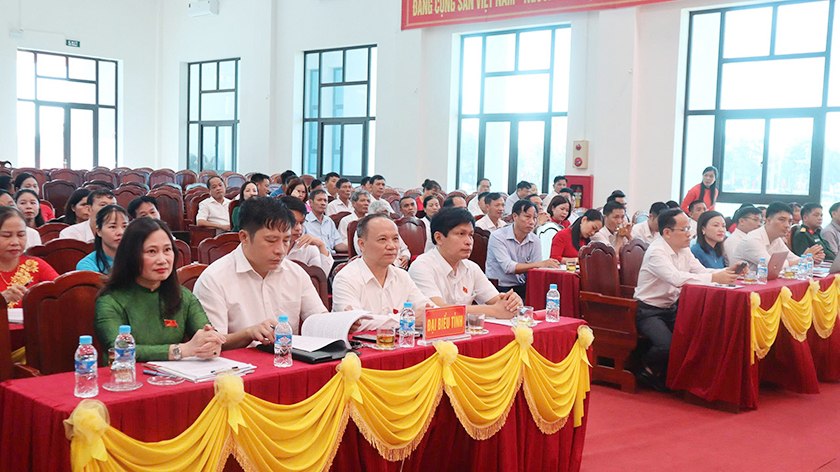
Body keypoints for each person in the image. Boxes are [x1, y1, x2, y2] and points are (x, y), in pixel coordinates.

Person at [193, 197, 328, 347]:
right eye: (271, 240)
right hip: (236, 361)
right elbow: (211, 343)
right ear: (244, 237)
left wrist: (341, 322)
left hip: (287, 357)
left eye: (286, 241)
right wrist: (248, 334)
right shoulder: (214, 279)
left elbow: (319, 319)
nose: (281, 250)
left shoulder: (296, 273)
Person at [633, 209, 739, 391]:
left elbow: (701, 271)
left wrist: (726, 272)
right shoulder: (657, 252)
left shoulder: (684, 250)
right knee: (667, 346)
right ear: (667, 232)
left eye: (689, 228)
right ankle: (643, 368)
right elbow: (676, 278)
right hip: (648, 310)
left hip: (672, 308)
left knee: (692, 339)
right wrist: (715, 278)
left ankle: (666, 374)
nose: (690, 234)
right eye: (684, 229)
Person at [94, 218, 225, 362]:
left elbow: (207, 335)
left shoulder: (182, 295)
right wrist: (180, 350)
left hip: (176, 373)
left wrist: (211, 343)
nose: (162, 260)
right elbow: (118, 350)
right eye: (151, 251)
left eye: (167, 250)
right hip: (127, 374)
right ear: (130, 256)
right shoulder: (110, 300)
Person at [410, 208, 522, 318]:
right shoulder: (421, 266)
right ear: (438, 238)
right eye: (461, 234)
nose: (469, 242)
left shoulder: (471, 267)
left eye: (470, 235)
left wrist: (511, 302)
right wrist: (493, 311)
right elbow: (437, 309)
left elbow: (497, 301)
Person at [333, 214, 433, 328]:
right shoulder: (345, 278)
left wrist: (429, 313)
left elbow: (427, 309)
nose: (392, 246)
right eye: (382, 239)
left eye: (395, 239)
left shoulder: (402, 276)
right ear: (362, 244)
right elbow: (356, 323)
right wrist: (406, 320)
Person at [486, 200, 561, 298]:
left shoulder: (535, 240)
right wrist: (540, 264)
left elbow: (536, 271)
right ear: (515, 216)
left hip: (523, 286)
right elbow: (508, 268)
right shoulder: (498, 236)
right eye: (527, 217)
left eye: (534, 218)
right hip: (499, 288)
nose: (532, 222)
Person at [734, 202, 823, 270]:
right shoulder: (753, 240)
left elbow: (792, 258)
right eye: (782, 220)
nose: (787, 225)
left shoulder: (776, 238)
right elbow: (773, 266)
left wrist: (811, 259)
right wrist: (804, 259)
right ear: (768, 221)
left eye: (790, 221)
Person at [0, 207, 58, 308]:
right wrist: (2, 299)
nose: (15, 242)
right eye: (7, 236)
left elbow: (65, 294)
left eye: (21, 235)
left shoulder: (35, 265)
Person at [280, 196, 335, 278]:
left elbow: (321, 278)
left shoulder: (308, 247)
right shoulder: (269, 247)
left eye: (302, 223)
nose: (299, 228)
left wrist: (321, 245)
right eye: (293, 223)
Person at [355, 200, 410, 268]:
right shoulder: (364, 230)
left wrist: (405, 256)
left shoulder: (391, 230)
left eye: (387, 217)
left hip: (398, 267)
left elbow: (404, 248)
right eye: (382, 239)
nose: (392, 246)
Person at [77, 205, 128, 274]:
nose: (121, 232)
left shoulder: (139, 259)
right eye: (113, 227)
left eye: (125, 226)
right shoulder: (87, 265)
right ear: (99, 231)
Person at [305, 189, 347, 253]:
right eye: (319, 200)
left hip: (331, 256)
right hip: (312, 256)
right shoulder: (305, 221)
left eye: (325, 200)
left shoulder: (329, 221)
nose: (323, 203)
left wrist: (356, 247)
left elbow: (337, 244)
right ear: (310, 203)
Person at [536, 195, 572, 260]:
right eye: (562, 209)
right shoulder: (545, 221)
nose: (564, 212)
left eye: (567, 210)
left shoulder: (567, 224)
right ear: (553, 208)